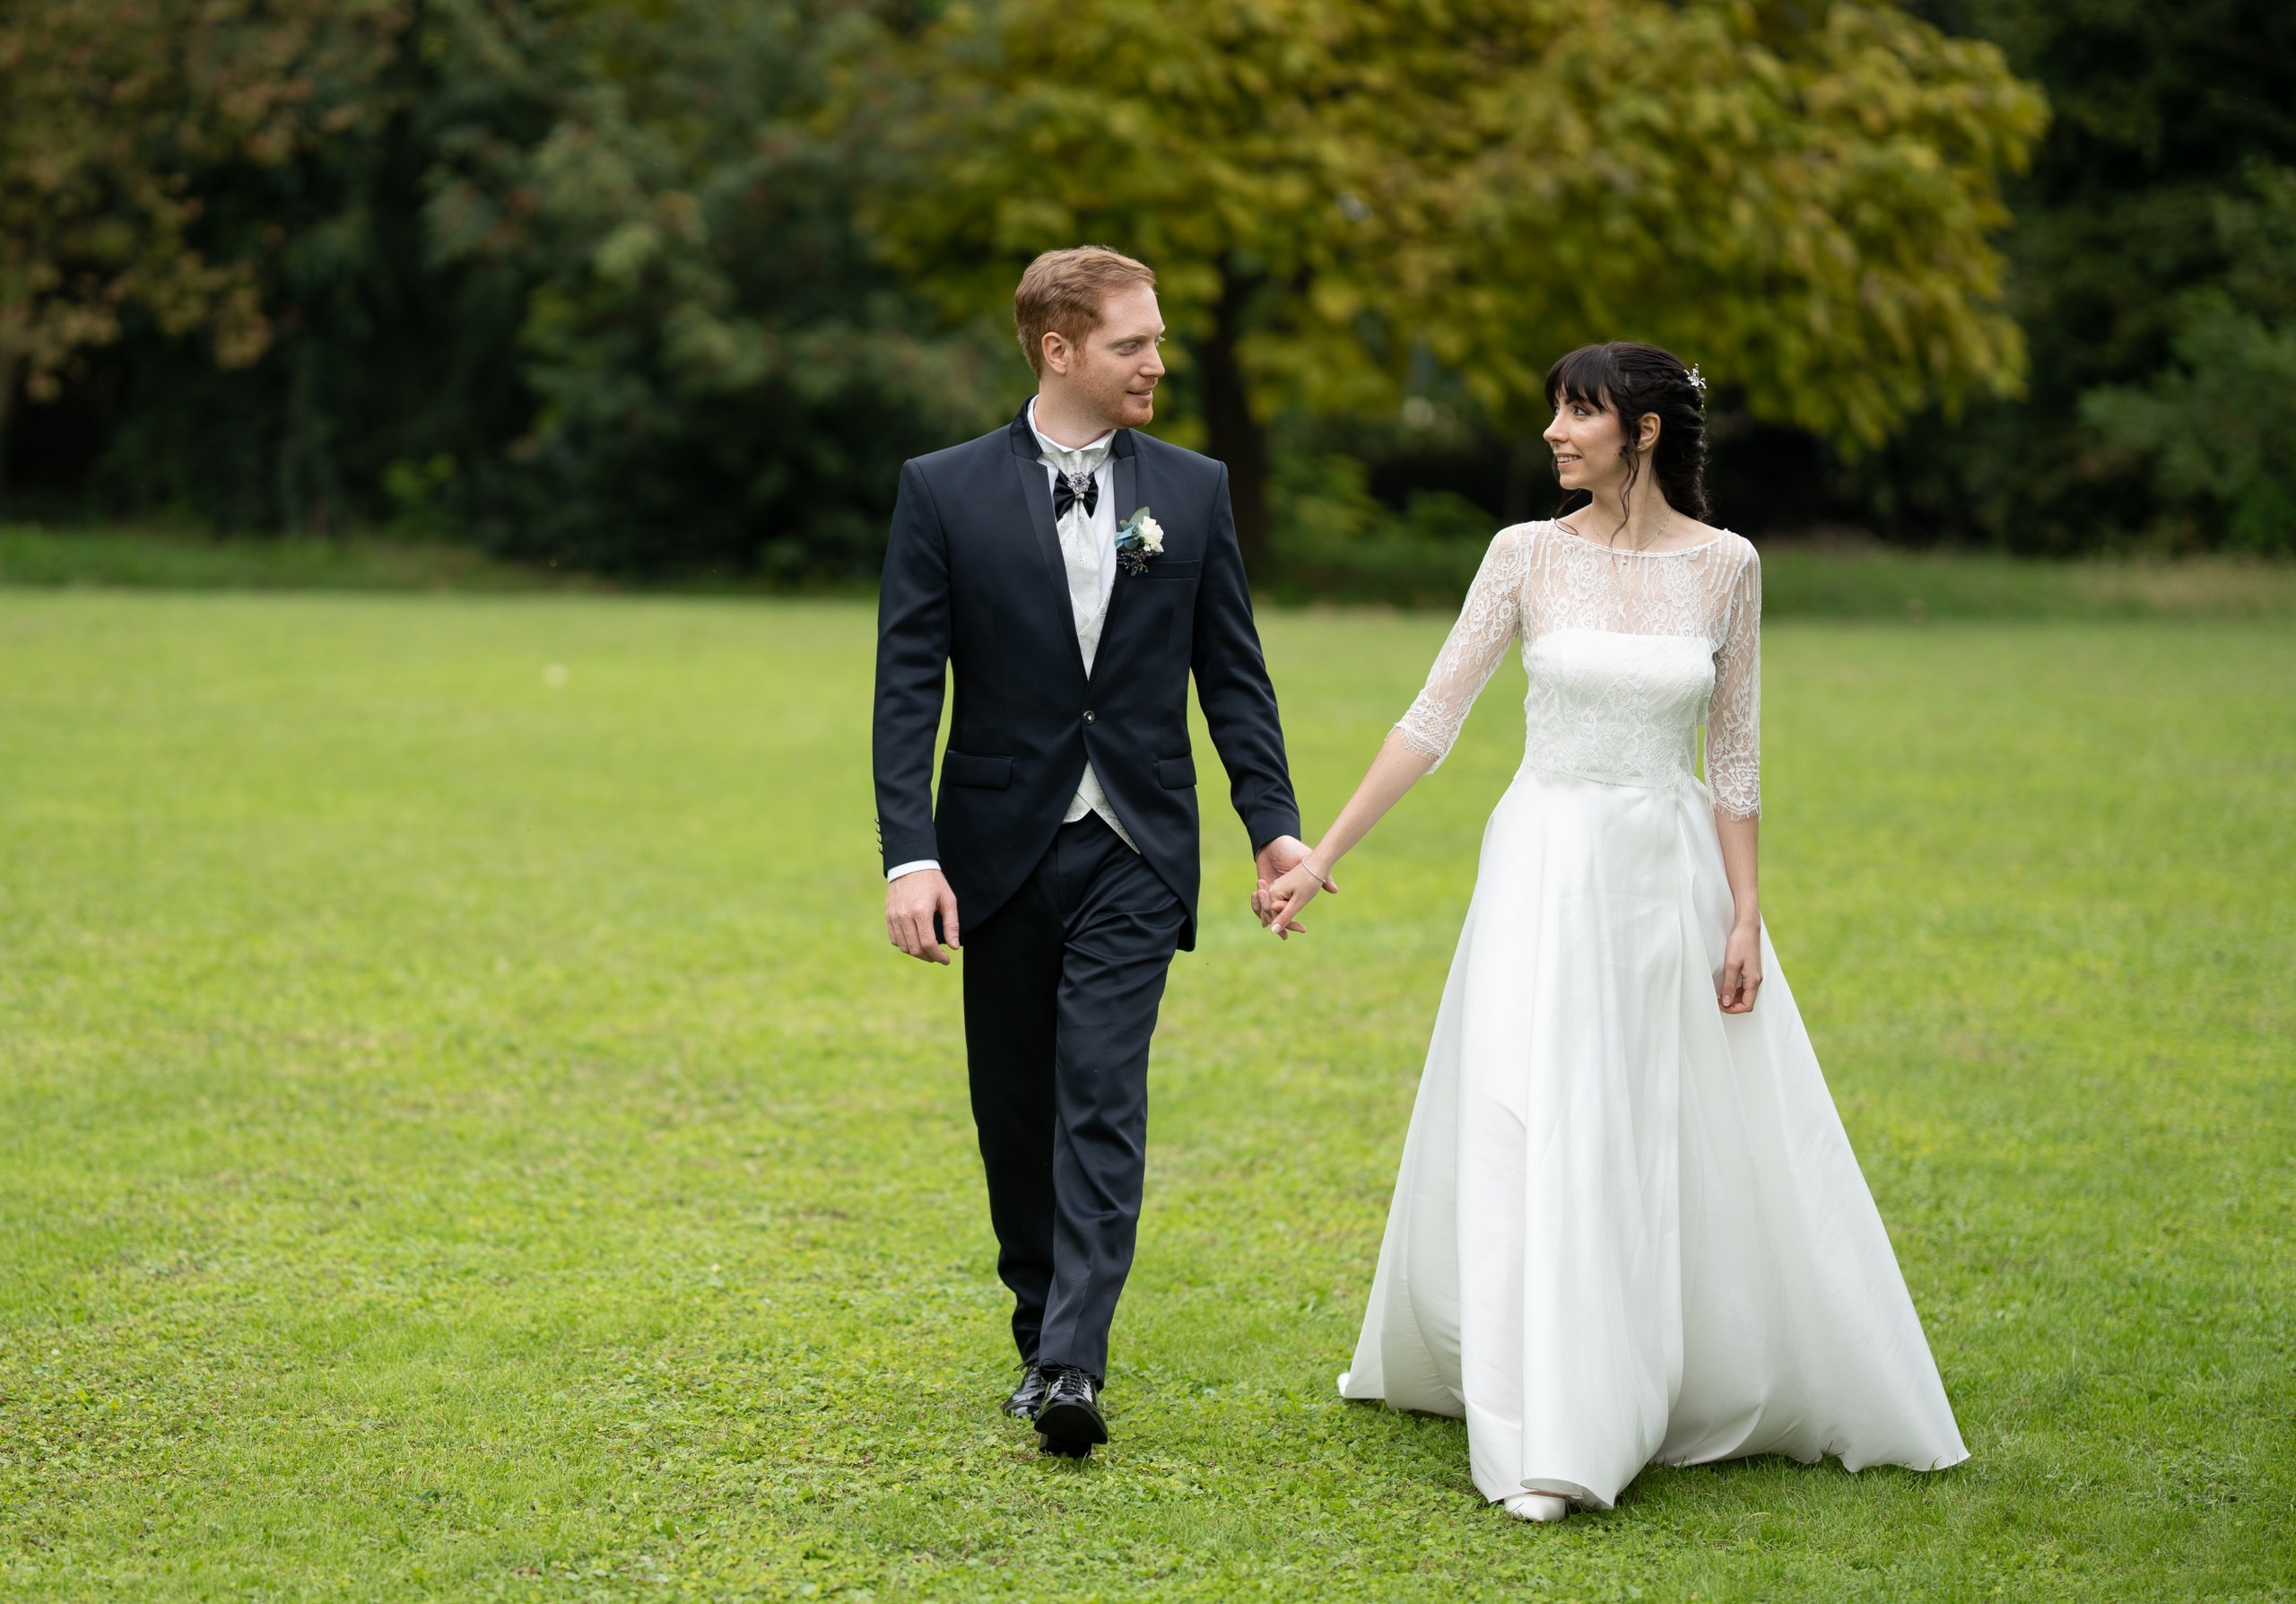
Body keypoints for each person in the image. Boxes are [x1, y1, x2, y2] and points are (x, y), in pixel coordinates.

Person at [1259, 342, 1968, 1521]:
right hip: (1545, 867)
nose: (1553, 431)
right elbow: (1432, 719)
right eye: (1553, 409)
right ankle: (1552, 1418)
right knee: (1541, 1117)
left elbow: (1732, 757)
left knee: (1650, 1126)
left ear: (1641, 432)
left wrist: (1746, 913)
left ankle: (1654, 1372)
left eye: (1579, 413)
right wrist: (1324, 851)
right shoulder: (1523, 555)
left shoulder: (1727, 569)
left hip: (1665, 877)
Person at [874, 246, 1308, 1457]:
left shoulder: (1196, 491)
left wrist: (1271, 825)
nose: (1157, 362)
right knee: (1015, 1107)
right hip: (997, 846)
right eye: (1132, 343)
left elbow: (1235, 676)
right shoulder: (942, 491)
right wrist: (910, 853)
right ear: (1059, 348)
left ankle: (1073, 1366)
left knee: (1101, 1095)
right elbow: (907, 687)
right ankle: (1036, 1330)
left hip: (1138, 845)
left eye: (1158, 339)